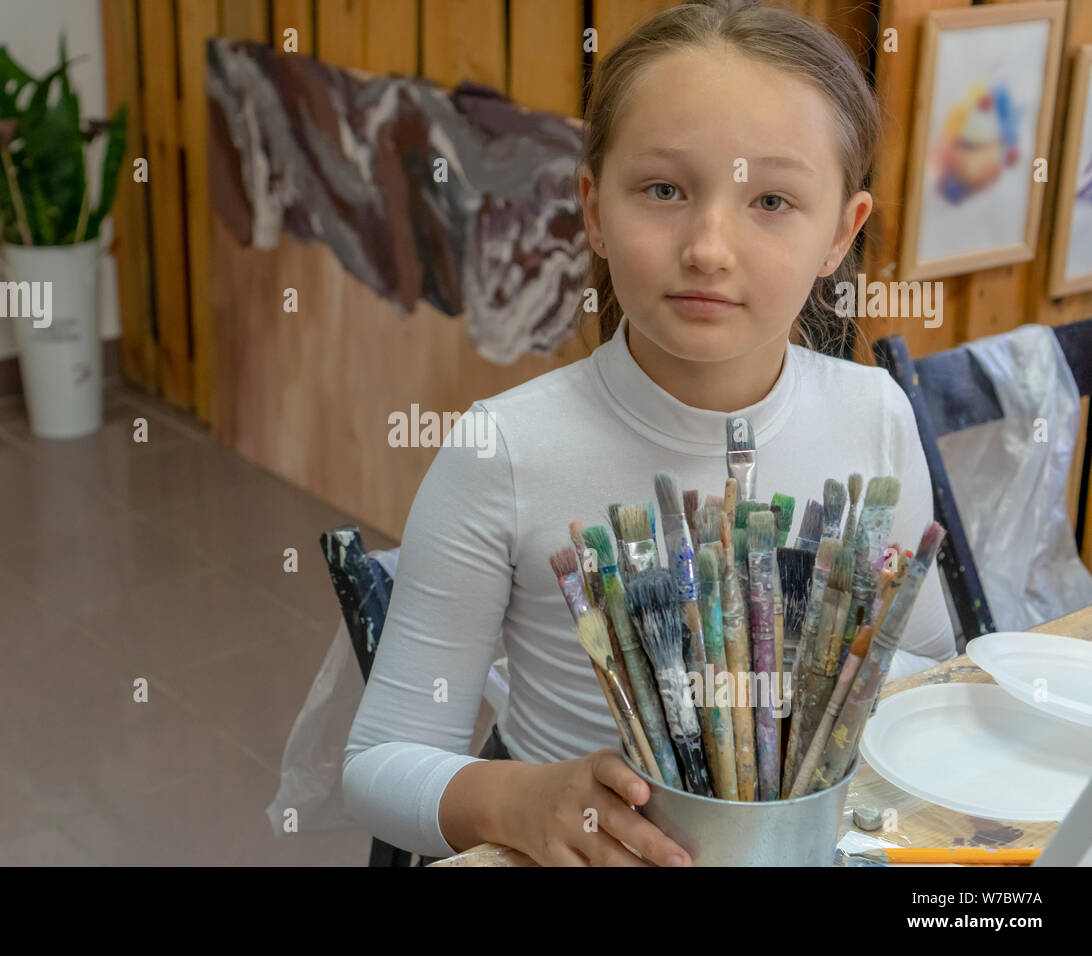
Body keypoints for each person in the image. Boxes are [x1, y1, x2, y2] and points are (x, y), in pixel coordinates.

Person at [343, 0, 956, 867]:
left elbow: (927, 676)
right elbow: (376, 767)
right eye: (664, 190)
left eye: (772, 200)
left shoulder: (876, 415)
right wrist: (519, 802)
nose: (709, 247)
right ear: (593, 208)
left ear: (840, 234)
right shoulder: (505, 451)